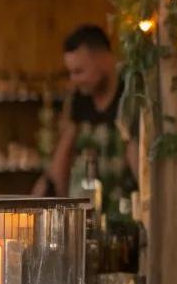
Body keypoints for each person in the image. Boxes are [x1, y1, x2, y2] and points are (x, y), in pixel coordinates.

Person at [32, 24, 137, 213]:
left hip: (122, 214)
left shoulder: (130, 96)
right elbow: (61, 160)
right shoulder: (79, 99)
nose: (74, 80)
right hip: (83, 214)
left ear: (104, 60)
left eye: (79, 71)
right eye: (70, 72)